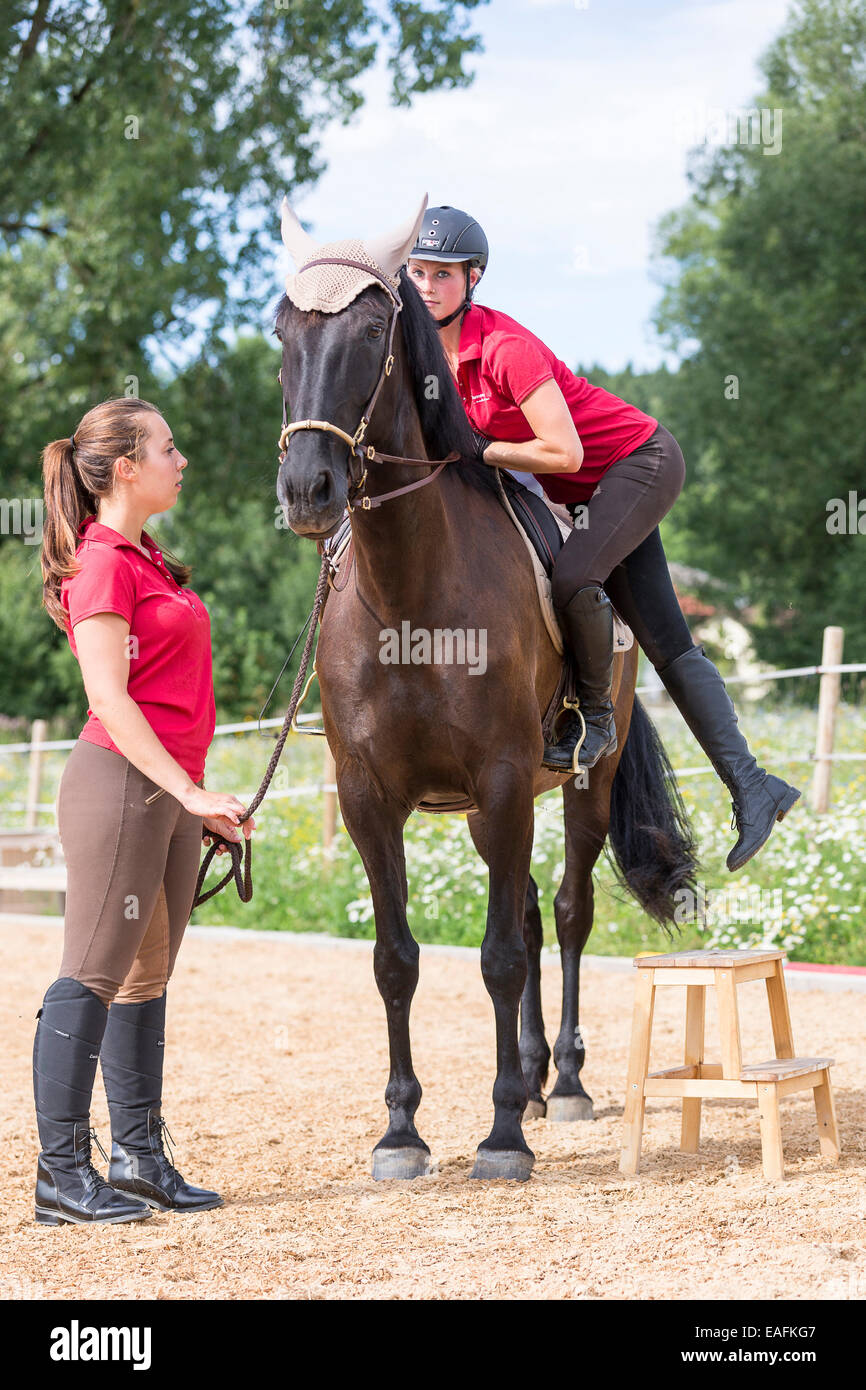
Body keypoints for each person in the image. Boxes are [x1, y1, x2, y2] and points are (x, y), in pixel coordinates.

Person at [407, 206, 800, 872]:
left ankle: (592, 715)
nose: (425, 285)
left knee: (571, 578)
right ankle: (754, 786)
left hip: (636, 464)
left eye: (442, 274)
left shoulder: (505, 347)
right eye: (416, 271)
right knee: (667, 640)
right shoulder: (421, 351)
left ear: (473, 279)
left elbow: (562, 452)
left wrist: (482, 447)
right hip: (586, 492)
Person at [36, 397, 255, 1225]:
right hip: (120, 787)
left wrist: (197, 804)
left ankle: (138, 1158)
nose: (181, 459)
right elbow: (109, 699)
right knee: (91, 970)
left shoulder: (149, 558)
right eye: (168, 447)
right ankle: (60, 1173)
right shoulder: (102, 563)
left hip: (165, 795)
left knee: (145, 975)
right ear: (126, 466)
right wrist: (191, 791)